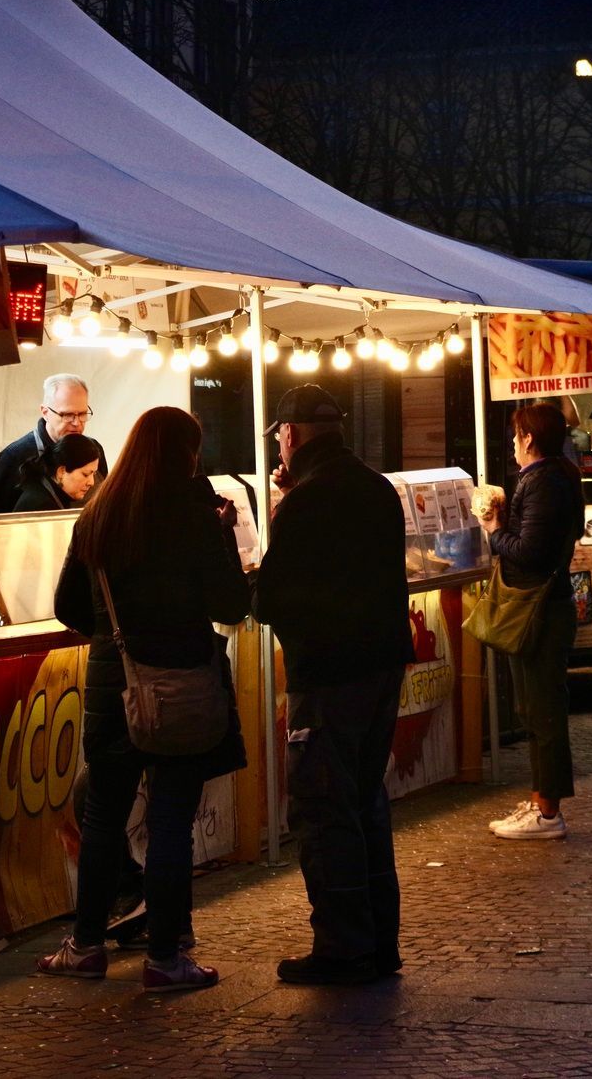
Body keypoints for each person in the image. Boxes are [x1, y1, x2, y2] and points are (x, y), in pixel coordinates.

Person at [41, 407, 248, 991]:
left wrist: (115, 633)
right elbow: (232, 605)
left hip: (114, 685)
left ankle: (84, 946)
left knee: (104, 816)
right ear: (188, 454)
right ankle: (165, 957)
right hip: (181, 681)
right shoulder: (196, 516)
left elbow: (69, 607)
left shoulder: (98, 514)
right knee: (170, 821)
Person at [253, 385, 414, 986]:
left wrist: (278, 518)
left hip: (326, 675)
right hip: (381, 665)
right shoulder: (376, 489)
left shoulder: (304, 502)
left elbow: (269, 600)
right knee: (365, 801)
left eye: (280, 437)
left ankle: (343, 948)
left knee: (323, 807)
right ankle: (379, 943)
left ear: (290, 435)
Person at [478, 404, 581, 841]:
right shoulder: (557, 475)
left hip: (538, 610)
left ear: (529, 438)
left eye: (516, 435)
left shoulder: (544, 482)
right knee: (533, 709)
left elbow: (529, 552)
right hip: (545, 607)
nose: (513, 443)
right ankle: (541, 801)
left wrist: (492, 528)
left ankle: (548, 814)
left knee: (542, 711)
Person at [0, 374, 105, 514]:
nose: (77, 422)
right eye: (67, 415)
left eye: (82, 414)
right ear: (45, 412)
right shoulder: (15, 456)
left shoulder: (95, 450)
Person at [13, 433, 103, 511]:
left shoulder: (48, 491)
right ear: (61, 472)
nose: (92, 483)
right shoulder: (40, 505)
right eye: (85, 474)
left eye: (93, 474)